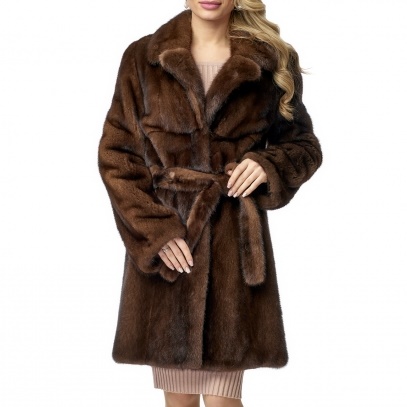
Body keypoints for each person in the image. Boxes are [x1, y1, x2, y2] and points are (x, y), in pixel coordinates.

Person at [98, 0, 322, 406]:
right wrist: (155, 233)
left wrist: (268, 164)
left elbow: (304, 146)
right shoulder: (143, 57)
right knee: (179, 401)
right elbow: (118, 157)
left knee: (223, 400)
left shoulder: (270, 61)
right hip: (171, 256)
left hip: (232, 251)